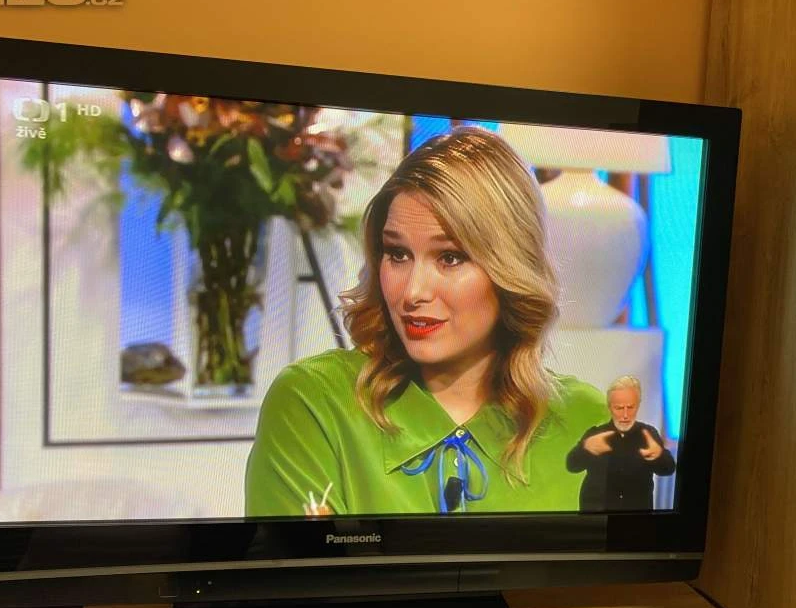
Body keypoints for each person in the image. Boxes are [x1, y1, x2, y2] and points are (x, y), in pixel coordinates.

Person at [245, 126, 608, 516]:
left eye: (450, 258)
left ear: (510, 267)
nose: (412, 292)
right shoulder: (313, 405)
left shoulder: (587, 421)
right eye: (397, 254)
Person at [565, 375, 676, 511]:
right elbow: (571, 465)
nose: (625, 415)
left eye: (630, 407)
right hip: (597, 517)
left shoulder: (648, 434)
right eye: (619, 408)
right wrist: (585, 449)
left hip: (636, 516)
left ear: (638, 405)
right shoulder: (595, 434)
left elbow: (668, 469)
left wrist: (659, 455)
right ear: (610, 407)